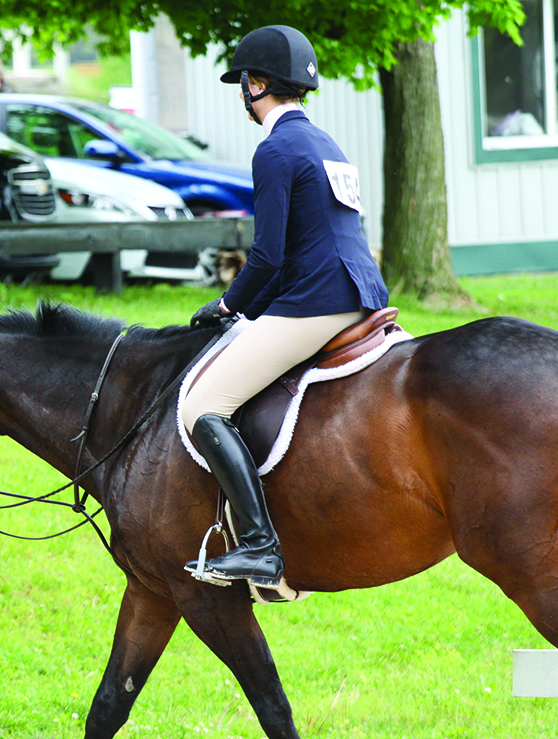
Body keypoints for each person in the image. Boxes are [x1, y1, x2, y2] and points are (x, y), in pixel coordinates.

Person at [181, 25, 389, 590]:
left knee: (203, 405)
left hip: (317, 302)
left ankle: (259, 547)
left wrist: (227, 305)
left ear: (256, 84)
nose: (242, 94)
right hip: (363, 295)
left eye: (242, 83)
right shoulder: (327, 144)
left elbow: (269, 256)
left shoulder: (275, 150)